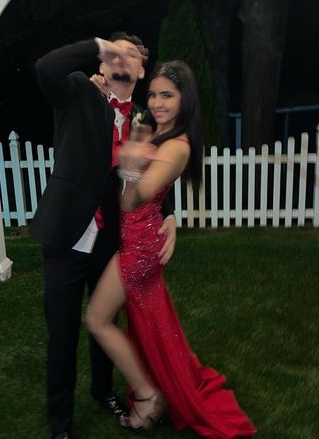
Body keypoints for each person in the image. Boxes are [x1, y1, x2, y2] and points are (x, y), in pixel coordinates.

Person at [86, 61, 257, 438]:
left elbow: (135, 200)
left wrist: (130, 171)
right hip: (141, 242)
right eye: (155, 93)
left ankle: (148, 397)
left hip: (140, 249)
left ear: (185, 100)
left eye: (168, 95)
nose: (159, 102)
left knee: (97, 319)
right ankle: (153, 388)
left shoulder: (177, 146)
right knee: (147, 326)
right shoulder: (159, 133)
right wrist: (171, 216)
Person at [30, 33, 177, 439]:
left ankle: (102, 390)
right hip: (65, 237)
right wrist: (96, 44)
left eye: (132, 55)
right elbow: (45, 68)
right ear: (102, 64)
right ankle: (60, 424)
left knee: (104, 321)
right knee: (62, 334)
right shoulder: (77, 91)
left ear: (142, 70)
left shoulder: (145, 124)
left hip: (111, 241)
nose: (122, 59)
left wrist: (169, 216)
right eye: (114, 53)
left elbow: (149, 181)